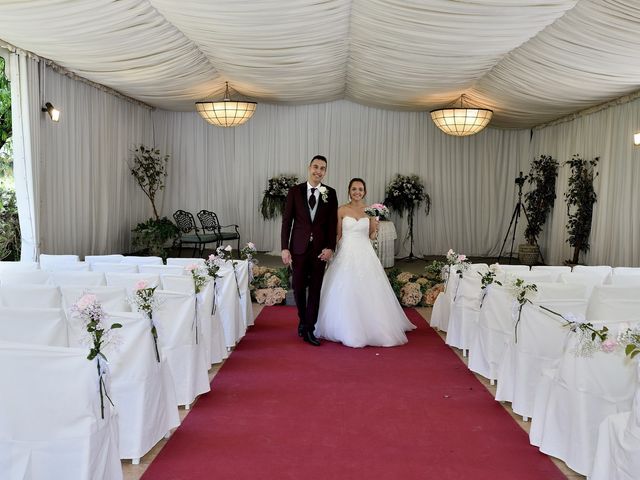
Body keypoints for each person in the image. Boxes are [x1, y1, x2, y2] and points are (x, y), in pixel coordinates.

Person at [314, 178, 416, 348]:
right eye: (354, 189)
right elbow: (338, 235)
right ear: (349, 191)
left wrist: (375, 226)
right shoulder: (341, 210)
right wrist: (331, 253)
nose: (357, 192)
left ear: (365, 192)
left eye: (360, 189)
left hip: (365, 252)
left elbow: (371, 236)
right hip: (346, 253)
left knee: (370, 289)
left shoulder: (370, 211)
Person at [281, 155, 339, 346]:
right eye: (315, 167)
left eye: (322, 168)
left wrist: (330, 247)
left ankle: (309, 329)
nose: (318, 171)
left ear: (325, 171)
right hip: (298, 248)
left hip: (319, 250)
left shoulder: (330, 193)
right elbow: (287, 221)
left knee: (315, 290)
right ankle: (303, 319)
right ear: (309, 168)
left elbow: (332, 224)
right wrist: (284, 248)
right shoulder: (295, 191)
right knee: (298, 288)